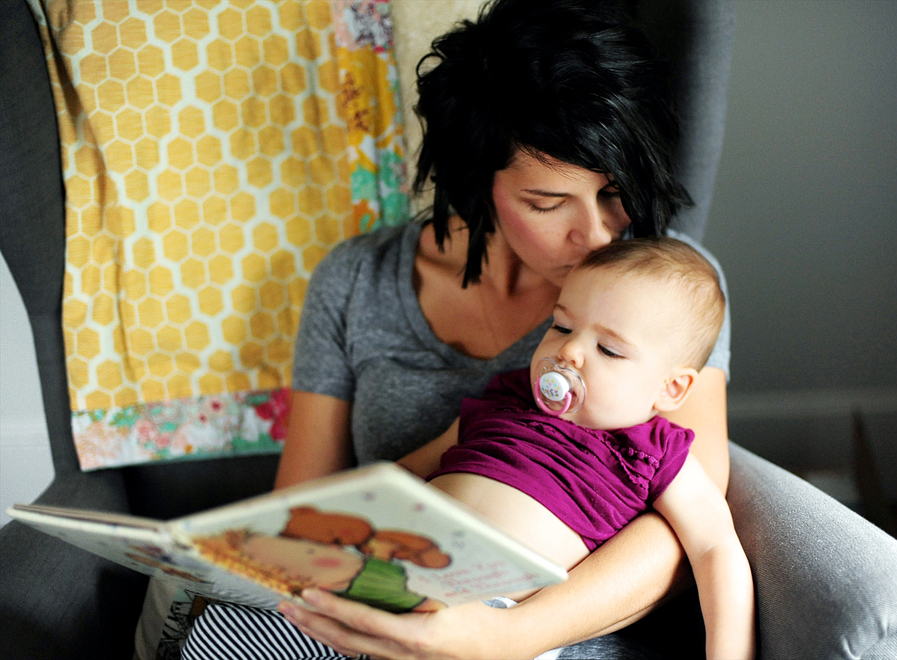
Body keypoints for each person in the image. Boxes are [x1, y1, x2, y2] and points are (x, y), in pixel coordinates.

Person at [182, 0, 733, 657]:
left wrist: (505, 636)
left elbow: (682, 543)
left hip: (548, 635)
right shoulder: (357, 280)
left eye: (615, 193)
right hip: (377, 591)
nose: (598, 234)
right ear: (477, 183)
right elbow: (305, 508)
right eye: (547, 202)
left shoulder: (664, 294)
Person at [421, 238, 754, 660]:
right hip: (389, 567)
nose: (569, 351)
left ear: (671, 388)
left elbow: (715, 550)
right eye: (562, 326)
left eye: (608, 349)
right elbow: (409, 470)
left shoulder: (655, 452)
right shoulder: (506, 398)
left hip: (487, 619)